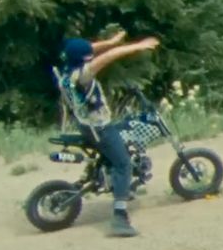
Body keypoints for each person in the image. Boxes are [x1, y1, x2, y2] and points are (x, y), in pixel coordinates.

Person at [54, 30, 160, 237]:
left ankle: (109, 176)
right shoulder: (82, 75)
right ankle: (120, 217)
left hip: (88, 124)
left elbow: (90, 51)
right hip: (99, 128)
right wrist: (137, 46)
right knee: (123, 163)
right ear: (84, 59)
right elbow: (106, 58)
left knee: (121, 140)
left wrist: (111, 41)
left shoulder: (67, 67)